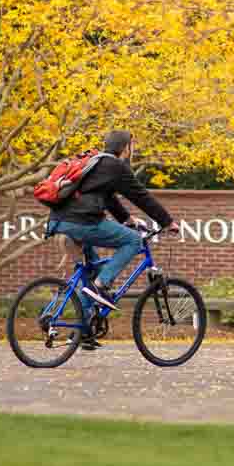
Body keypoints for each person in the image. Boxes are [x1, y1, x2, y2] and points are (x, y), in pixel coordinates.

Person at [46, 130, 174, 328]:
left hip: (59, 221)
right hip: (82, 222)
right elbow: (141, 196)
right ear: (125, 148)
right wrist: (167, 222)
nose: (132, 151)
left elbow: (107, 198)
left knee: (92, 267)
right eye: (132, 146)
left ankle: (85, 328)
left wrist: (127, 219)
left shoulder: (98, 162)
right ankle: (100, 286)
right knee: (133, 240)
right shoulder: (116, 166)